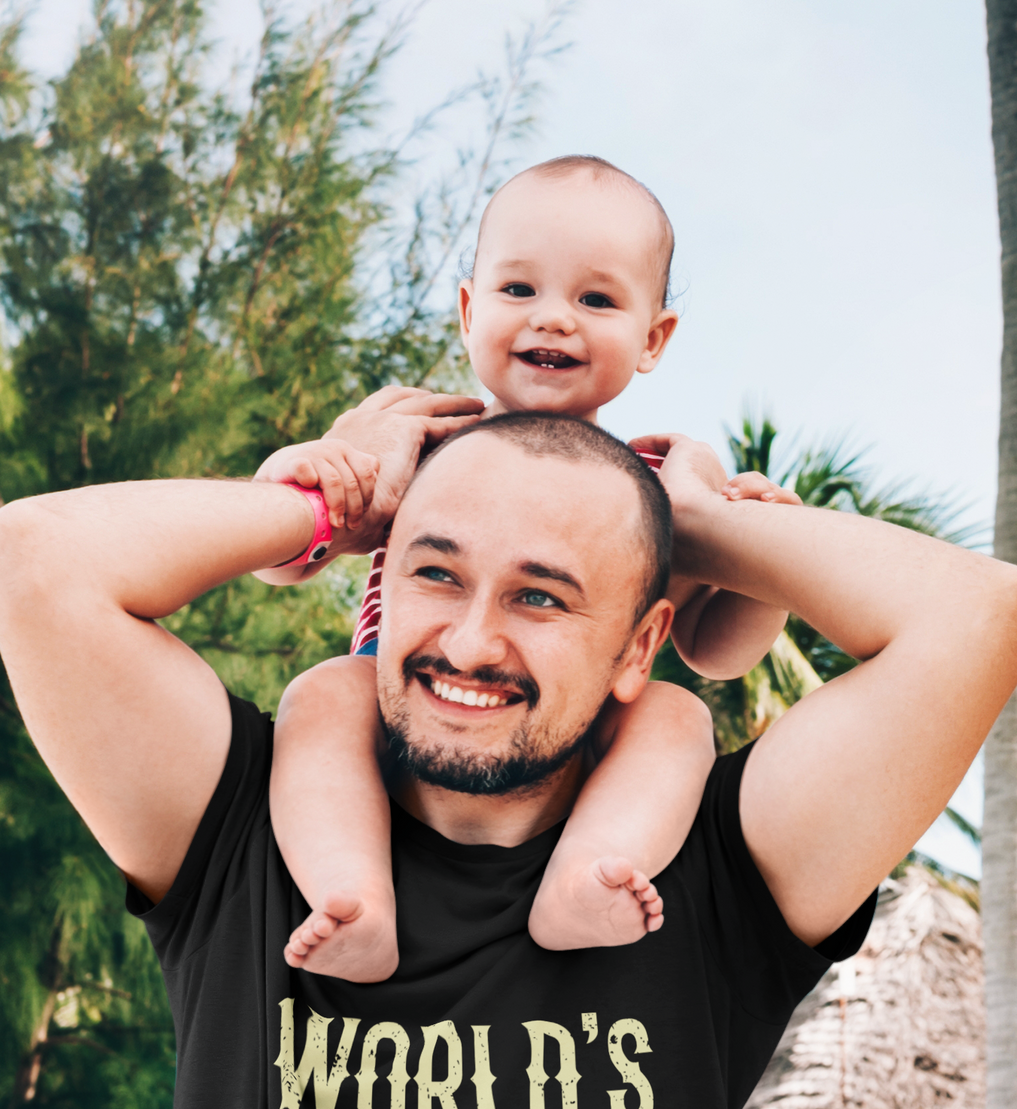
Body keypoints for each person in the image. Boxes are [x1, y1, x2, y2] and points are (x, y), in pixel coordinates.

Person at [0, 394, 1017, 1109]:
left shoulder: (713, 866)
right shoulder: (244, 829)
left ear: (637, 647)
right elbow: (36, 557)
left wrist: (684, 518)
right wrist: (329, 501)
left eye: (542, 596)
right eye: (434, 572)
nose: (469, 639)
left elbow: (978, 614)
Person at [256, 156, 801, 982]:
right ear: (469, 310)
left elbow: (712, 650)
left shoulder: (653, 491)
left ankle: (591, 872)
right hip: (397, 704)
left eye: (595, 299)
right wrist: (313, 471)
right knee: (321, 693)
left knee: (677, 719)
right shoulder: (418, 445)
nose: (553, 320)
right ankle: (350, 893)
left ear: (653, 337)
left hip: (558, 737)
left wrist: (759, 558)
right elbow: (283, 561)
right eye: (518, 291)